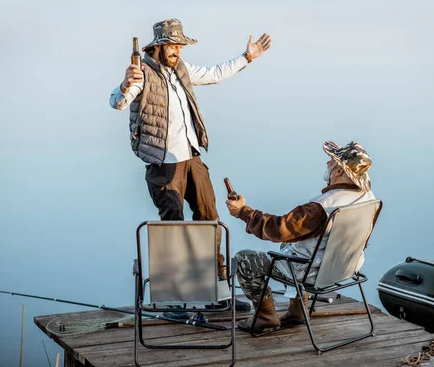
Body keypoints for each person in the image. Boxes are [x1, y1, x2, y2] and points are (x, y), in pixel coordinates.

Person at [109, 18, 271, 311]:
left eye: (180, 46)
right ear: (158, 46)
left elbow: (213, 74)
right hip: (164, 164)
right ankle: (176, 297)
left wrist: (247, 57)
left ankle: (219, 292)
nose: (178, 51)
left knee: (210, 218)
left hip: (192, 158)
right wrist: (124, 85)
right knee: (173, 226)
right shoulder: (142, 73)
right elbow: (118, 102)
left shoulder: (181, 70)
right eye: (173, 45)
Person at [225, 140, 376, 333]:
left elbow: (278, 230)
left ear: (339, 171)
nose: (327, 163)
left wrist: (243, 212)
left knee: (245, 259)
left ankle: (265, 317)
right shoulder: (367, 198)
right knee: (292, 244)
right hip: (344, 268)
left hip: (311, 272)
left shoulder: (322, 207)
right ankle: (298, 311)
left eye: (331, 160)